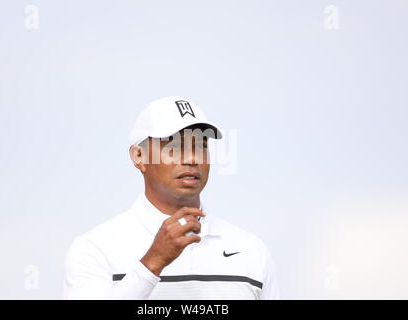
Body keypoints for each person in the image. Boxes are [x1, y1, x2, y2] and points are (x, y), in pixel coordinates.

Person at [63, 96, 280, 299]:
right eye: (175, 147)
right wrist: (153, 262)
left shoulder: (252, 251)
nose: (192, 158)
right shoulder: (95, 249)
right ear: (139, 156)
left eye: (201, 146)